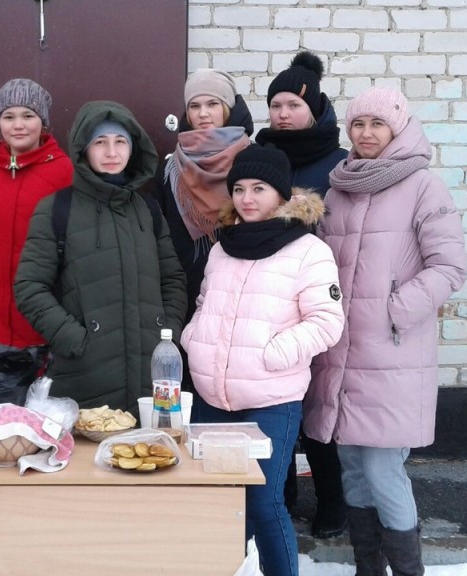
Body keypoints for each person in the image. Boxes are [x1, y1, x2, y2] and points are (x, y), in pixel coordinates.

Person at [305, 87, 467, 576]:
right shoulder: (339, 188)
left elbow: (449, 266)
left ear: (397, 128)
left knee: (382, 468)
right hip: (341, 352)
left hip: (392, 352)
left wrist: (394, 310)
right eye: (358, 124)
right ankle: (368, 569)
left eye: (377, 123)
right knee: (353, 467)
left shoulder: (423, 186)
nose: (367, 133)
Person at [182, 144, 344, 576]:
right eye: (239, 189)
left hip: (270, 400)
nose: (247, 198)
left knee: (263, 502)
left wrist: (271, 354)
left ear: (281, 193)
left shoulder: (309, 250)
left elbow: (327, 322)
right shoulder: (222, 248)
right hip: (212, 397)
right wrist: (194, 339)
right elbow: (204, 302)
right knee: (219, 501)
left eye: (259, 189)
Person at [14, 101, 187, 413]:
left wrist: (167, 334)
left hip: (150, 377)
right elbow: (30, 287)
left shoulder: (148, 210)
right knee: (88, 445)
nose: (111, 152)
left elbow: (172, 279)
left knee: (150, 445)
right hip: (84, 379)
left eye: (120, 141)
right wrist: (75, 340)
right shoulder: (56, 209)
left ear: (133, 148)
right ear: (84, 149)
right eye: (100, 142)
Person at [256, 51, 351, 539]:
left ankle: (333, 501)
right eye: (276, 105)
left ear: (314, 108)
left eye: (293, 104)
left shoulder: (340, 163)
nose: (283, 114)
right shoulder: (260, 155)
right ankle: (284, 495)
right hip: (269, 298)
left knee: (319, 406)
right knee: (277, 402)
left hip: (319, 295)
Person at [153, 68, 252, 400]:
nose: (203, 114)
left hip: (240, 293)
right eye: (195, 106)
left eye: (212, 104)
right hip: (186, 291)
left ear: (228, 108)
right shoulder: (171, 166)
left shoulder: (252, 159)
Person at [0, 78, 73, 347]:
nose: (18, 125)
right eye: (9, 117)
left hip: (46, 309)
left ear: (43, 121)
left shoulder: (65, 171)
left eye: (28, 115)